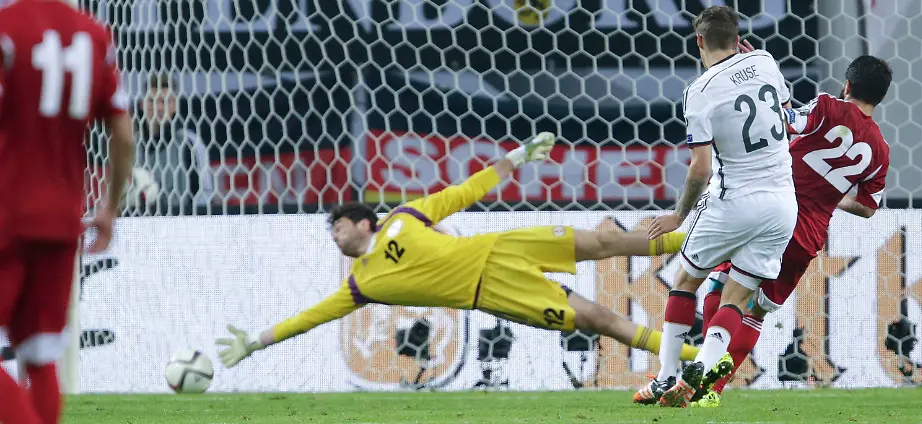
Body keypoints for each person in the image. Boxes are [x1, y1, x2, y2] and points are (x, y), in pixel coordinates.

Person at [217, 133, 702, 370]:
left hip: (501, 247)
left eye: (338, 228)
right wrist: (256, 341)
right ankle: (694, 355)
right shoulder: (361, 284)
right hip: (495, 292)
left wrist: (515, 158)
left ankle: (702, 240)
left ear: (363, 222)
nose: (335, 238)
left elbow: (464, 192)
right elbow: (309, 318)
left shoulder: (405, 216)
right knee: (599, 318)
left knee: (605, 242)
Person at [689, 54, 892, 408]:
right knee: (757, 312)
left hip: (773, 210)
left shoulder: (828, 107)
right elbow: (867, 207)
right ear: (881, 96)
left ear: (847, 84)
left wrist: (757, 76)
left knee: (722, 285)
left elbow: (784, 121)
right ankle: (711, 391)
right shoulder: (880, 150)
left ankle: (708, 361)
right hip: (808, 235)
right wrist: (831, 197)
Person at [0, 0, 134, 424]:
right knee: (39, 355)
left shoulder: (5, 30)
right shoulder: (92, 35)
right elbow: (122, 134)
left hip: (6, 212)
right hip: (62, 218)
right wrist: (109, 206)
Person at [634, 6, 797, 408]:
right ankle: (703, 368)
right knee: (736, 297)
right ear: (738, 38)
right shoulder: (765, 61)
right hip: (782, 204)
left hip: (734, 201)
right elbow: (786, 109)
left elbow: (701, 168)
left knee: (685, 281)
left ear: (699, 41)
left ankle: (666, 377)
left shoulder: (700, 91)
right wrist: (755, 61)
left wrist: (678, 215)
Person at [133, 72, 213, 214]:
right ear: (141, 104)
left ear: (174, 105)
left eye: (164, 101)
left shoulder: (189, 142)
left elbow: (206, 192)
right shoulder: (131, 145)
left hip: (180, 222)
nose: (158, 108)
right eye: (152, 101)